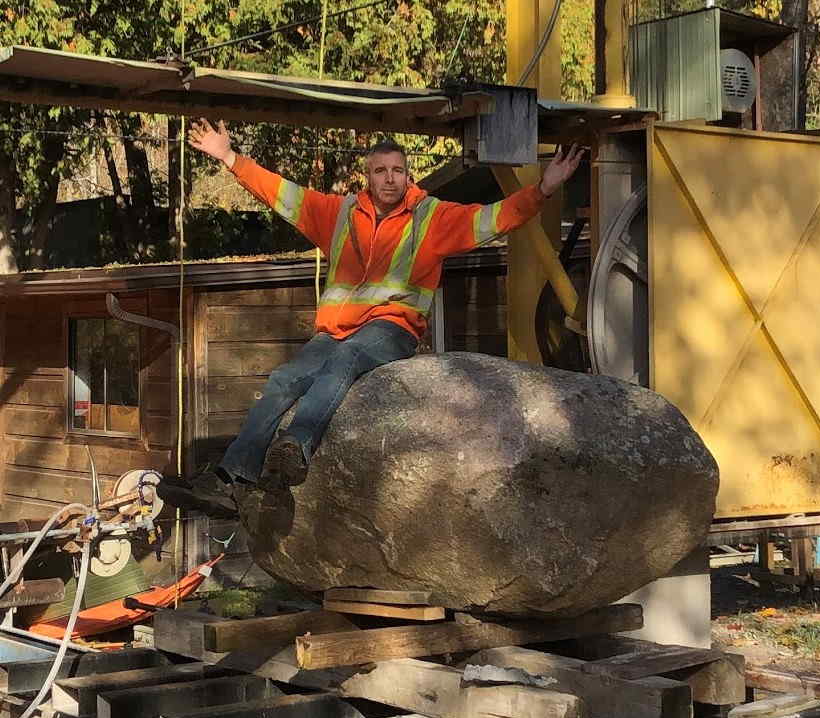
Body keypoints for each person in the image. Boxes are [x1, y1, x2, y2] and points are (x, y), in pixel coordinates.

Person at [157, 120, 584, 518]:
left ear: (408, 174)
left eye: (398, 169)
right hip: (336, 330)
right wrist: (231, 158)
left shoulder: (431, 216)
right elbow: (281, 194)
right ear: (368, 176)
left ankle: (296, 449)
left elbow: (491, 220)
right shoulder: (339, 213)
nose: (390, 178)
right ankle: (231, 480)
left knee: (347, 360)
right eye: (380, 170)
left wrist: (543, 189)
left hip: (393, 329)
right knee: (284, 380)